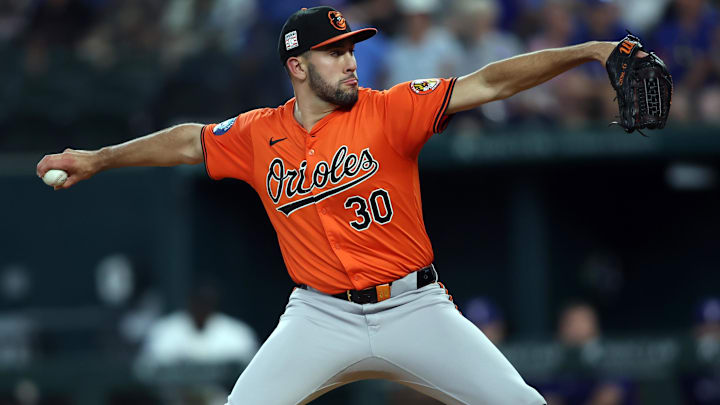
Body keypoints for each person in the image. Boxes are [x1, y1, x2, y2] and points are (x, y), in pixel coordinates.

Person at [37, 6, 634, 404]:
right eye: (332, 51)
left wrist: (585, 50)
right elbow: (191, 139)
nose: (350, 59)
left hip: (414, 307)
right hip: (319, 317)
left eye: (350, 47)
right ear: (297, 66)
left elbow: (490, 83)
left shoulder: (389, 109)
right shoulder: (257, 132)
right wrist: (99, 158)